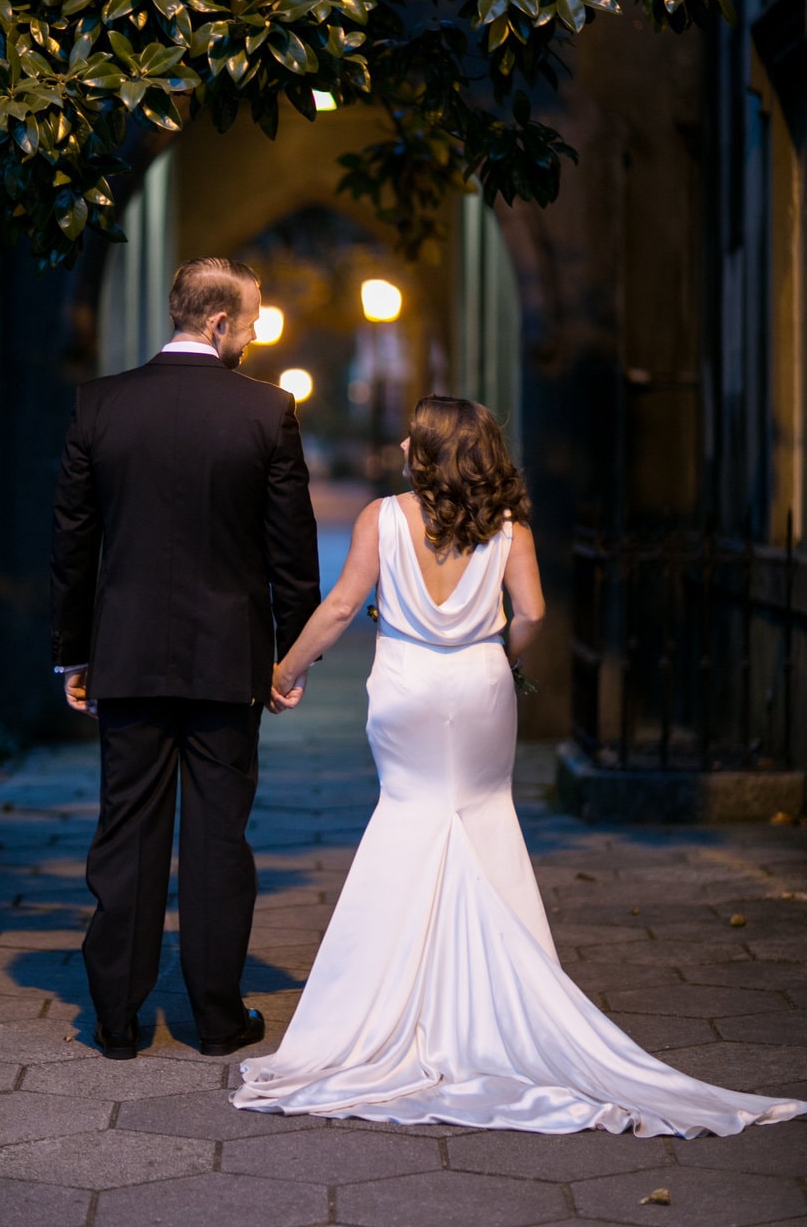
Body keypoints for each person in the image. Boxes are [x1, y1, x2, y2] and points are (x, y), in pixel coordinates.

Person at [233, 396, 807, 1136]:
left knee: (407, 818)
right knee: (483, 817)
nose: (403, 438)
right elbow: (531, 613)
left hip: (407, 687)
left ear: (431, 451)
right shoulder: (511, 531)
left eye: (415, 432)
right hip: (478, 686)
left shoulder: (383, 518)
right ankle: (501, 997)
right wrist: (495, 658)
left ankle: (384, 1002)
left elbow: (344, 606)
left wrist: (285, 669)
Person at [50, 256, 320, 1061]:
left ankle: (117, 1021)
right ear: (218, 323)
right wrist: (292, 656)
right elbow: (290, 550)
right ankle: (215, 1017)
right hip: (226, 659)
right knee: (217, 836)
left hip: (125, 655)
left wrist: (73, 655)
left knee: (126, 828)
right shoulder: (268, 413)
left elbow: (73, 544)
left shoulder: (100, 406)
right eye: (253, 319)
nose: (255, 333)